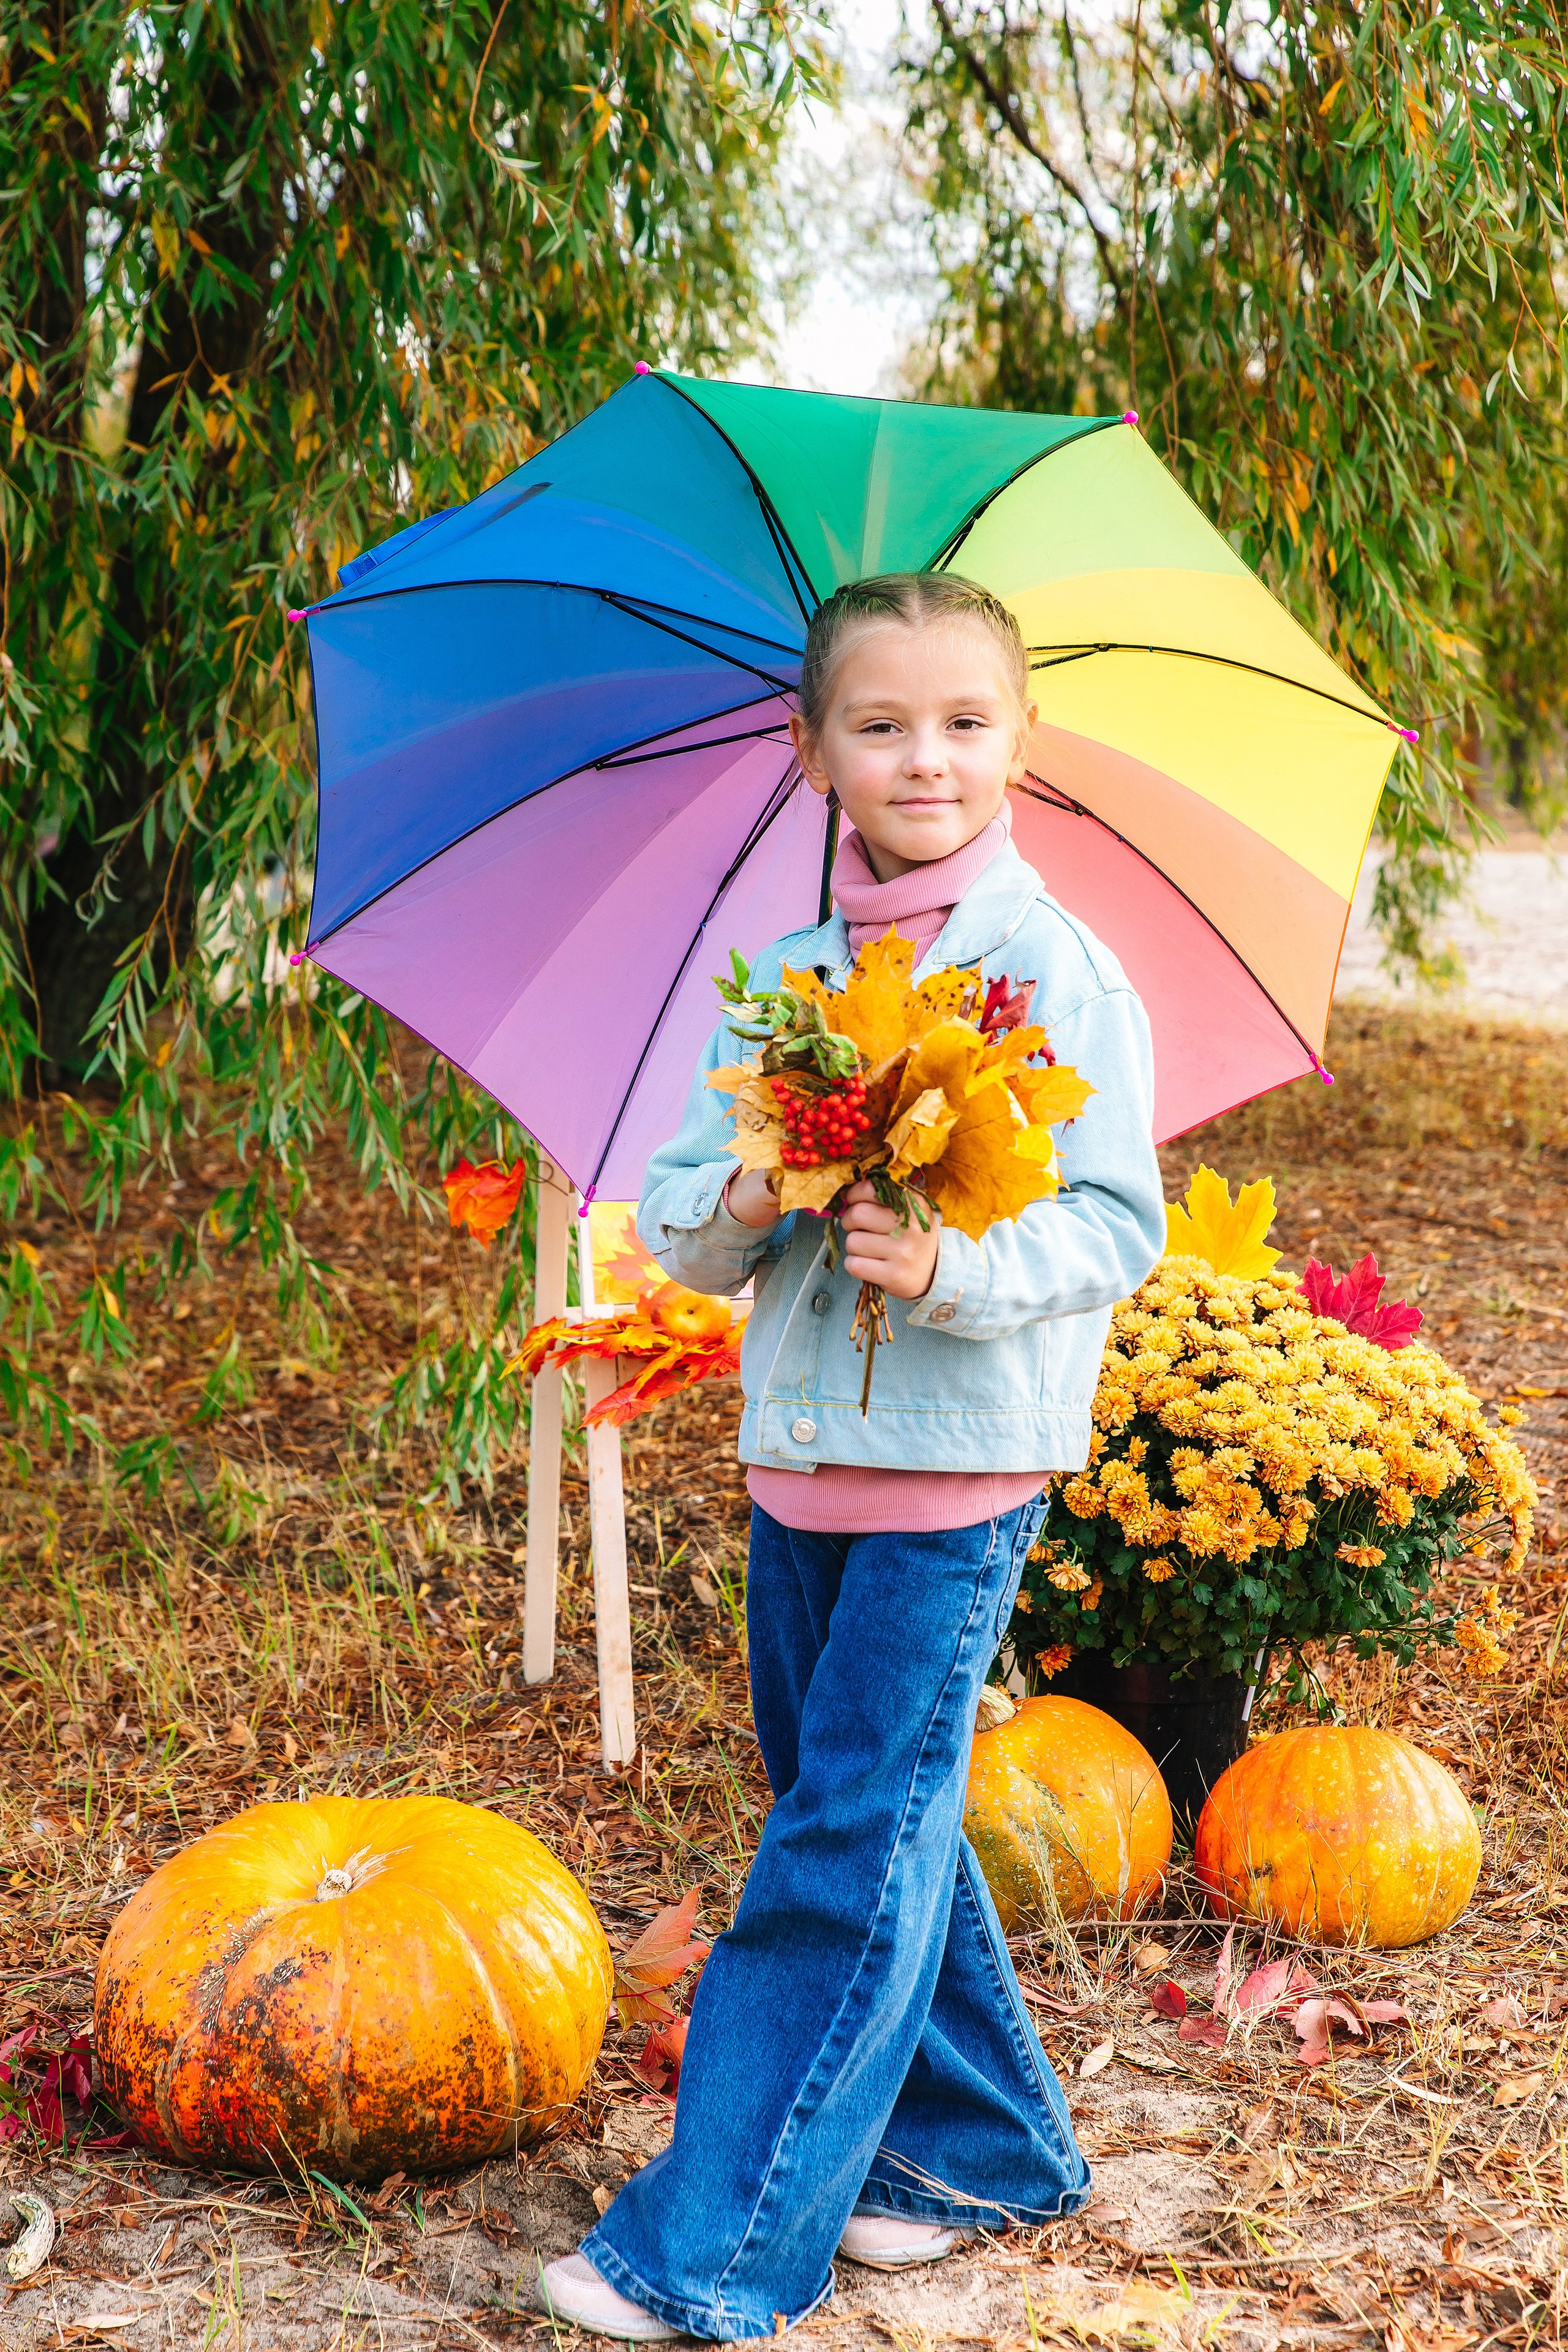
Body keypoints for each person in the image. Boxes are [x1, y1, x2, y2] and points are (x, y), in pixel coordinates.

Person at [540, 572, 1166, 2341]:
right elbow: (678, 1221)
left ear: (1022, 741)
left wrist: (950, 1264)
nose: (925, 758)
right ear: (813, 750)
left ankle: (715, 2252)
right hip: (797, 1465)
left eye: (966, 722)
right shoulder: (791, 985)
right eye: (880, 724)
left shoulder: (1052, 970)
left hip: (956, 1482)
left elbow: (1116, 1222)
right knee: (885, 1827)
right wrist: (750, 1193)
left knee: (833, 1853)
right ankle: (990, 2147)